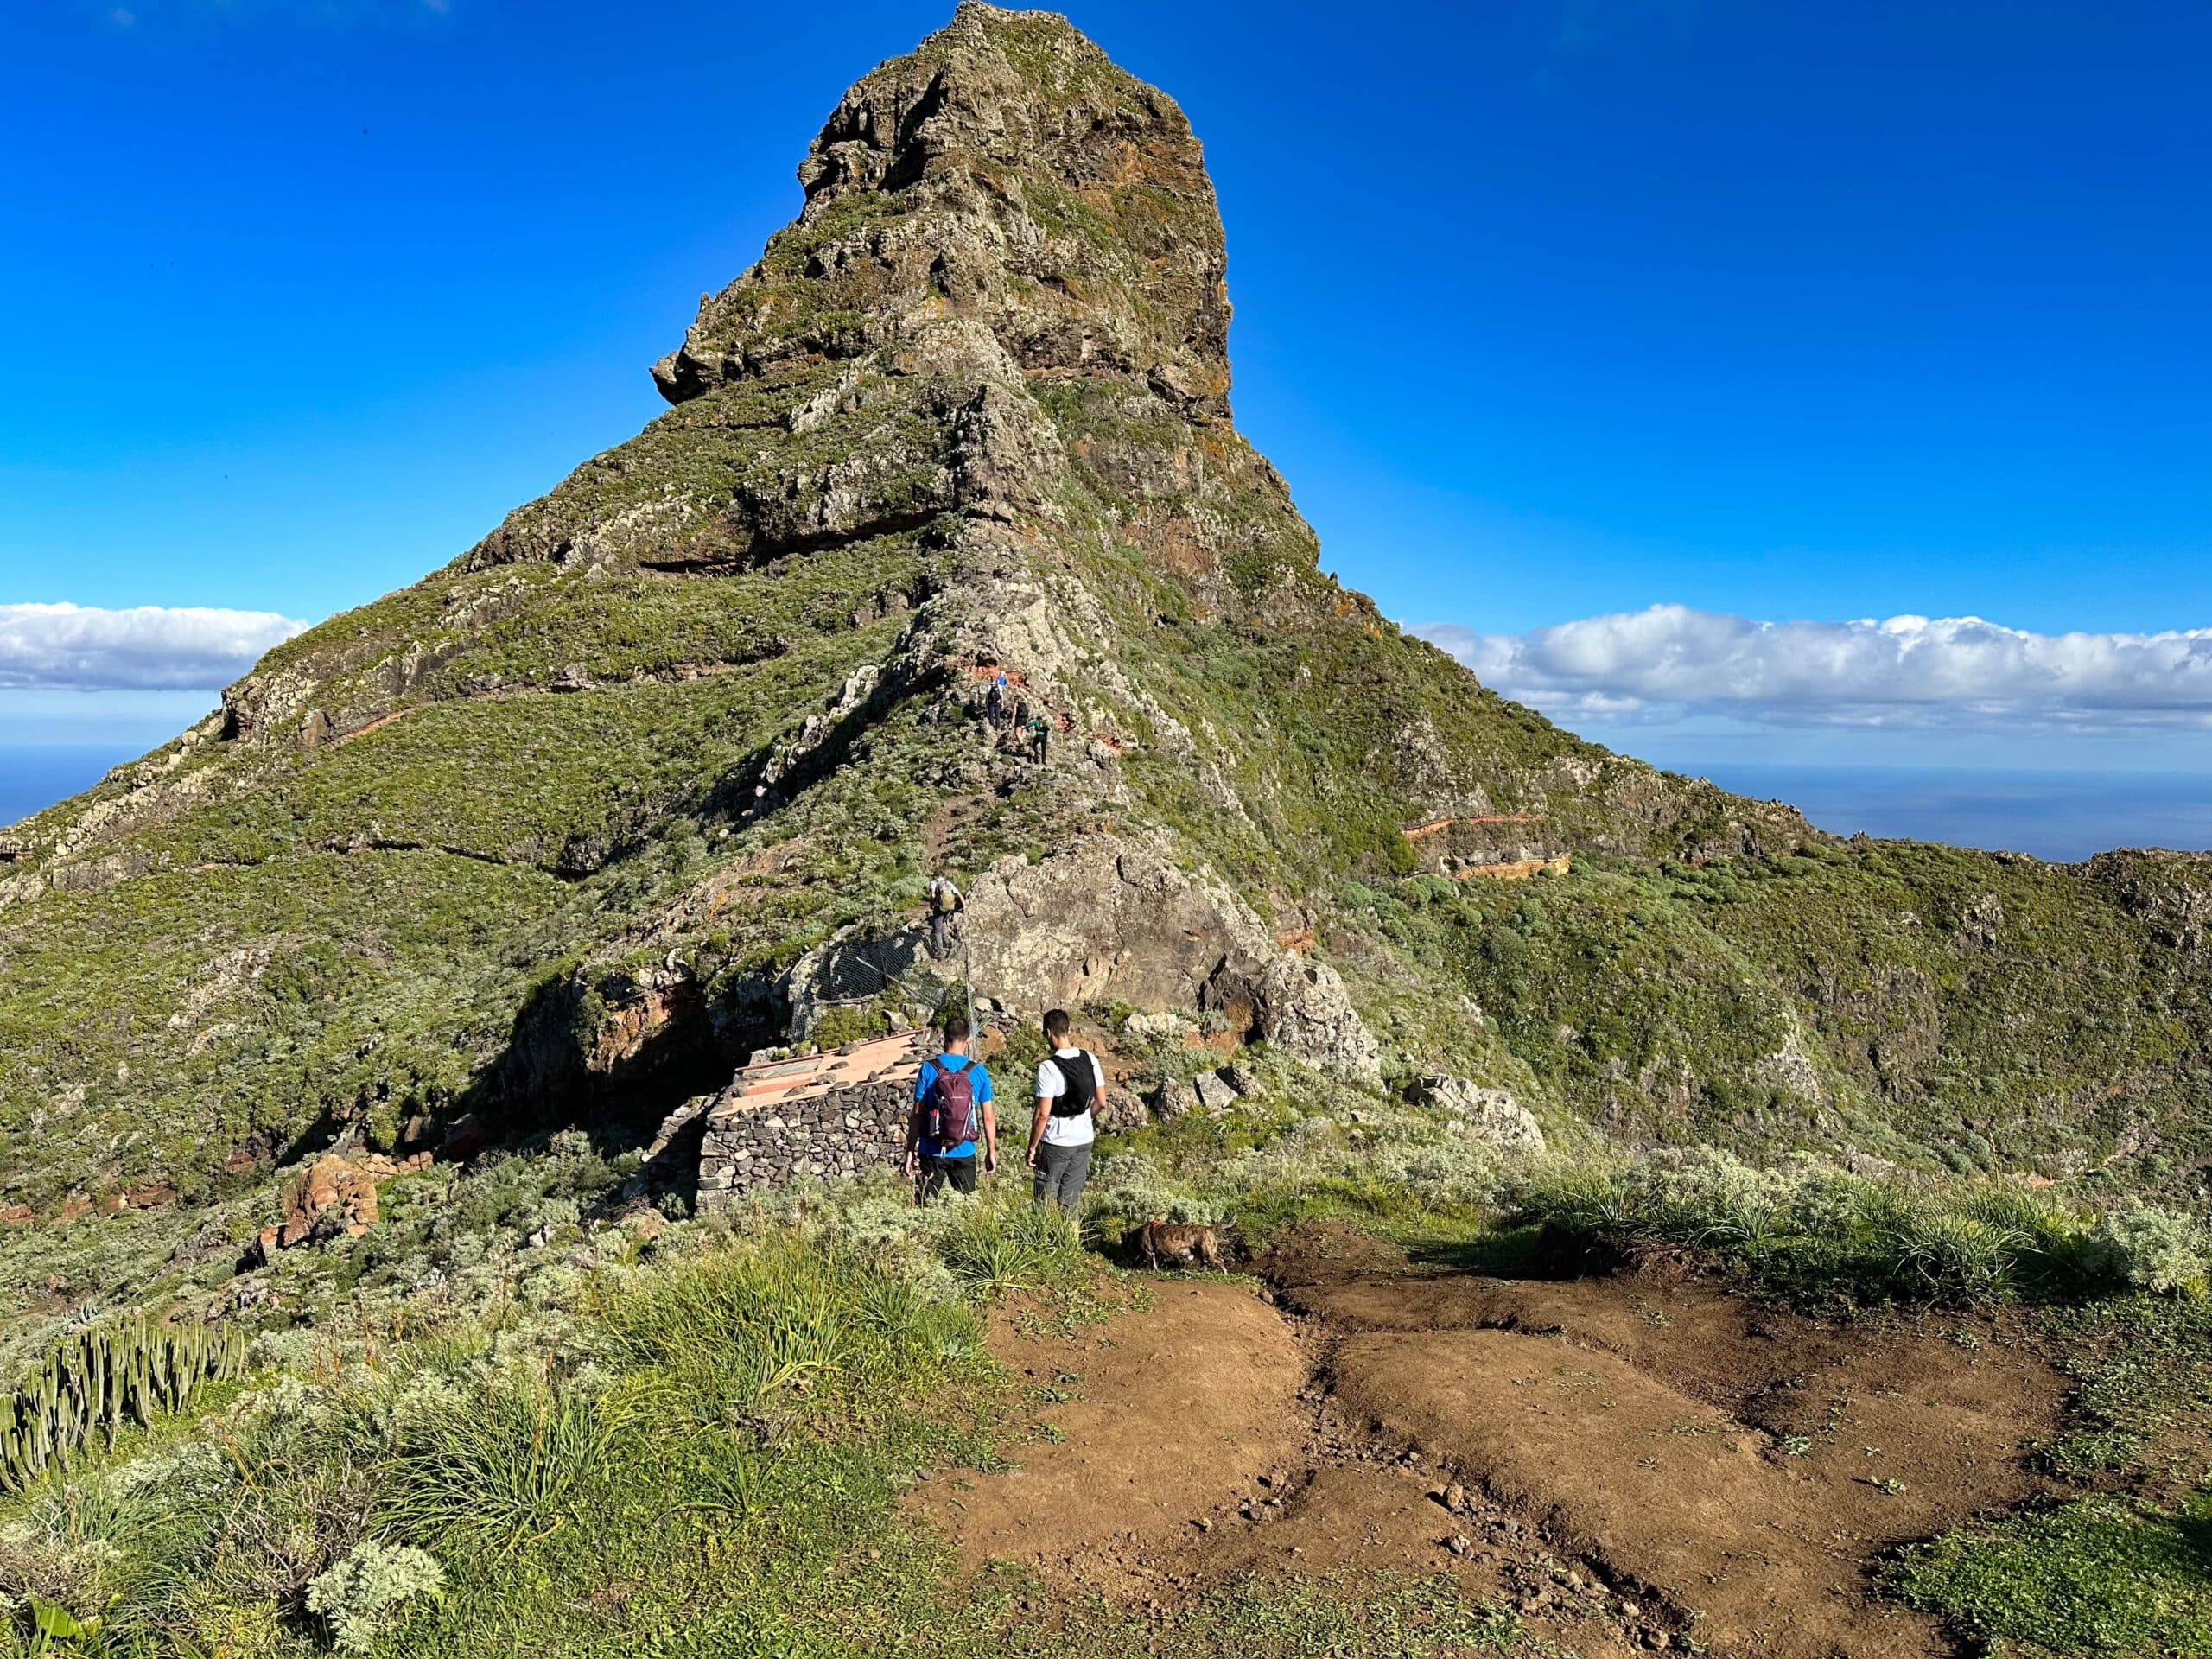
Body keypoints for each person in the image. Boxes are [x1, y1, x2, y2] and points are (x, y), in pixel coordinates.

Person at [906, 1016, 996, 1198]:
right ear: (968, 1040)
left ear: (944, 1038)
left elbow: (917, 1114)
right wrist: (991, 1151)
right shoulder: (978, 1071)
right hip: (964, 1148)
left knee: (924, 1206)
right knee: (966, 1208)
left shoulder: (929, 1068)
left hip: (931, 1149)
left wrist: (910, 1150)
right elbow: (988, 1117)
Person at [1027, 1007, 1100, 1217]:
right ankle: (1070, 1244)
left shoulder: (1048, 1067)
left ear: (1049, 1032)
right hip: (1084, 1139)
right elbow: (1101, 1101)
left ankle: (1040, 1242)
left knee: (1043, 1198)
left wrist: (1033, 1147)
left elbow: (1043, 1114)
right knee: (1070, 1201)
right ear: (1068, 1030)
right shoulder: (1090, 1058)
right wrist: (1085, 1118)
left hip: (1056, 1141)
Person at [925, 873, 963, 959]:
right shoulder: (948, 883)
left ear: (935, 877)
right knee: (943, 923)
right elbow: (959, 895)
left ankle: (940, 952)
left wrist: (932, 904)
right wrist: (964, 906)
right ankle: (948, 943)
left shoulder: (933, 883)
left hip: (939, 908)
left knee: (937, 930)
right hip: (949, 908)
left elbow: (932, 895)